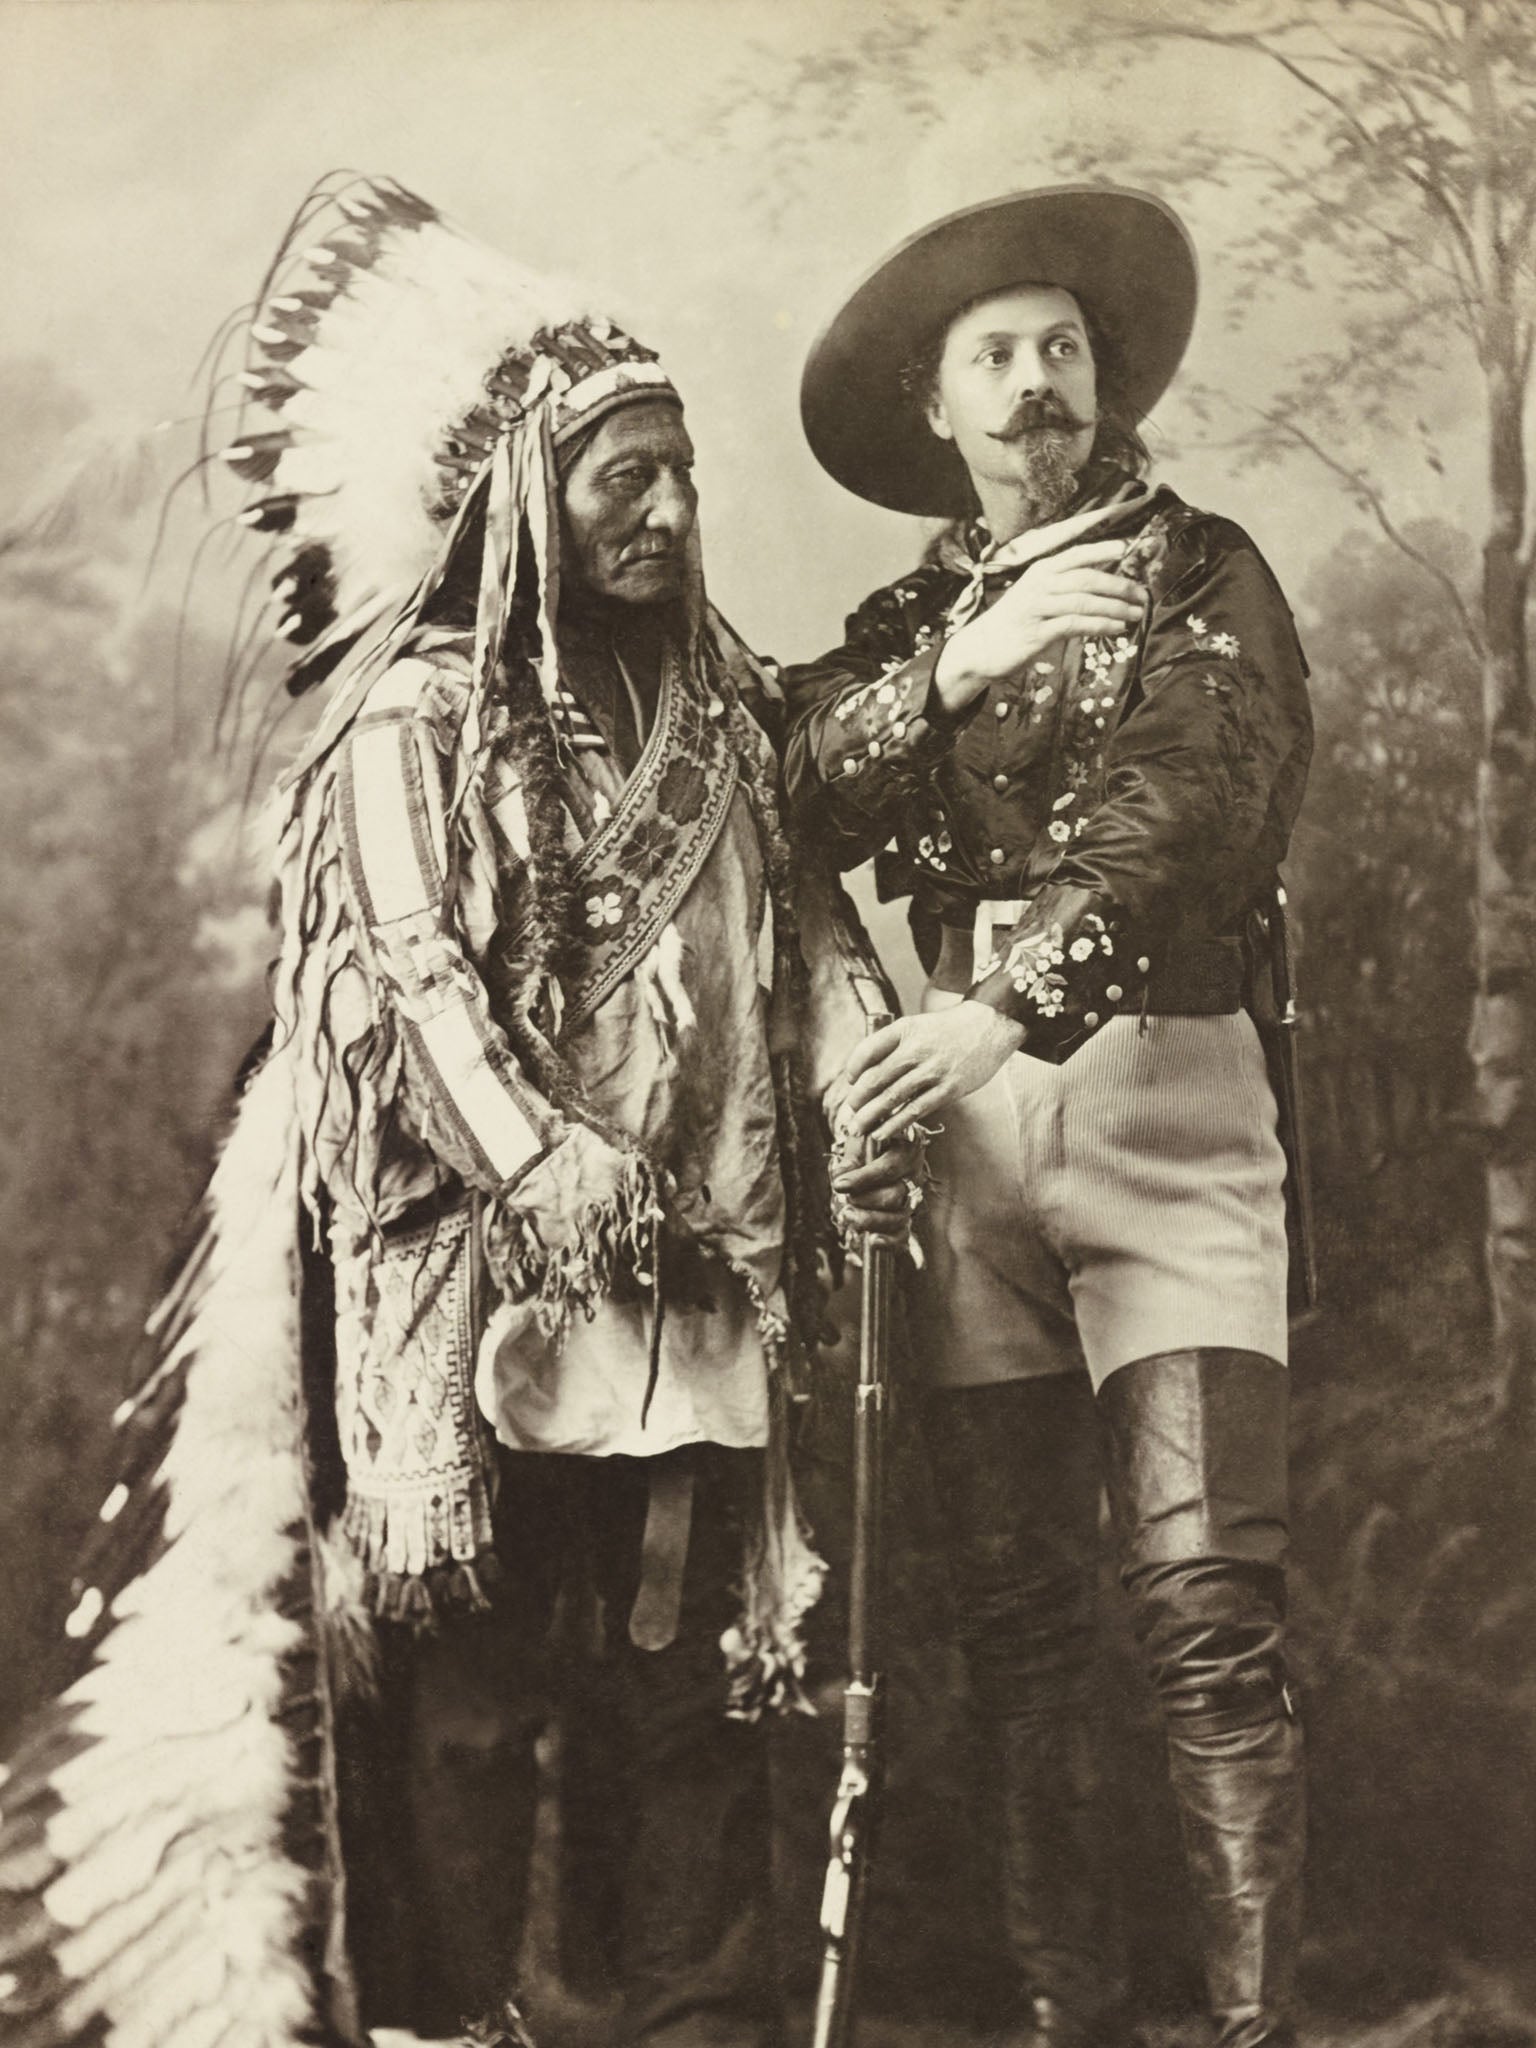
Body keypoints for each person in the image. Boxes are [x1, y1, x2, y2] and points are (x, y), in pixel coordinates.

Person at [0, 176, 910, 2048]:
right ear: (523, 497)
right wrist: (544, 1159)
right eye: (617, 480)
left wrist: (867, 1087)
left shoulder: (723, 721)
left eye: (680, 475)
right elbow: (404, 978)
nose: (663, 512)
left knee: (692, 1695)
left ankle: (696, 2021)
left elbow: (800, 945)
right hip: (468, 1284)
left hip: (699, 1282)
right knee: (477, 1699)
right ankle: (447, 2021)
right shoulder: (414, 722)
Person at [783, 186, 1314, 2048]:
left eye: (1061, 351)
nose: (1036, 390)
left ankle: (1255, 2035)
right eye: (995, 359)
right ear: (937, 406)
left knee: (1207, 1619)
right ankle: (1062, 2022)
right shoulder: (910, 618)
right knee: (1020, 1636)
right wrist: (953, 673)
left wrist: (1000, 1010)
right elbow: (788, 801)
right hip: (965, 1165)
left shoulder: (1206, 574)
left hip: (1165, 1114)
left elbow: (1194, 814)